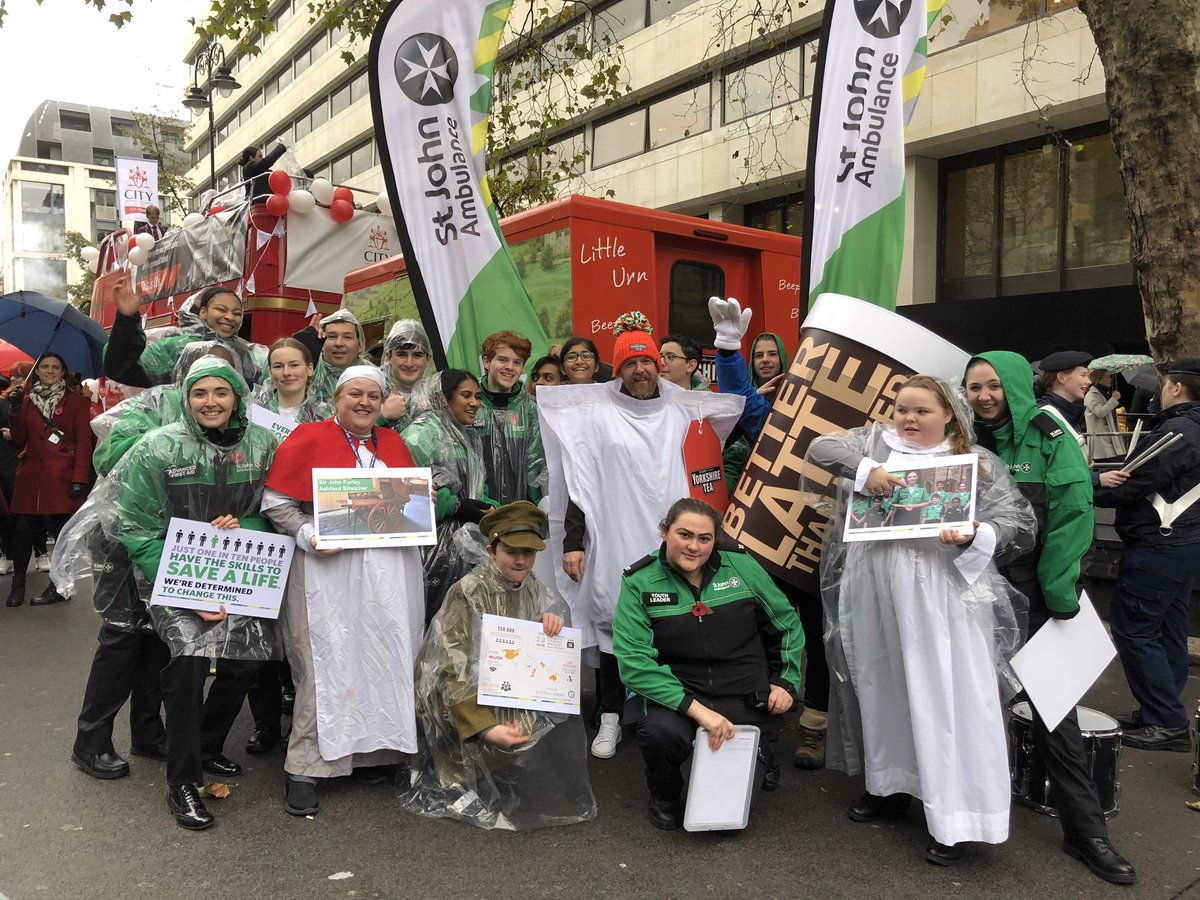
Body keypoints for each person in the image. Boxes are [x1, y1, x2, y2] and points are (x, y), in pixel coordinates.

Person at [807, 374, 1035, 865]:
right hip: (873, 582)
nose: (908, 419)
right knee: (880, 682)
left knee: (945, 694)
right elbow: (820, 448)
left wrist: (978, 533)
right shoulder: (875, 444)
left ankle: (958, 816)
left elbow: (1015, 521)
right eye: (901, 409)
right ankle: (889, 785)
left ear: (949, 413)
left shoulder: (973, 461)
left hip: (940, 591)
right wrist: (867, 469)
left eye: (921, 411)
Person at [539, 312, 743, 760]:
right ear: (618, 369)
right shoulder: (595, 416)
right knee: (615, 618)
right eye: (629, 363)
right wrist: (574, 541)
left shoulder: (684, 409)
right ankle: (610, 714)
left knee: (679, 620)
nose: (639, 370)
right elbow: (579, 478)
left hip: (675, 539)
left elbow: (737, 411)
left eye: (646, 361)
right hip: (614, 534)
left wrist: (729, 352)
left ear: (657, 364)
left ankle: (672, 709)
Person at [965, 351, 1136, 884]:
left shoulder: (1049, 435)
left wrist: (1060, 593)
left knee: (1055, 713)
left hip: (1036, 594)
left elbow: (1073, 513)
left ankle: (1086, 832)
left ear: (1014, 384)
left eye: (993, 385)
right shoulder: (958, 436)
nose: (984, 396)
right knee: (965, 701)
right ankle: (956, 813)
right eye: (974, 387)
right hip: (968, 595)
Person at [117, 357, 279, 830]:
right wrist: (187, 593)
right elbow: (136, 529)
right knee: (188, 661)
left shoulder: (262, 444)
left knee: (248, 658)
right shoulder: (158, 448)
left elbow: (275, 509)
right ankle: (183, 782)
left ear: (236, 398)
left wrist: (244, 525)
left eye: (220, 392)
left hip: (238, 569)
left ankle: (206, 744)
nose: (211, 402)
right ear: (187, 400)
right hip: (173, 572)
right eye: (200, 394)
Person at [262, 365, 426, 816]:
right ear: (336, 398)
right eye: (355, 394)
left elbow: (414, 505)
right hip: (325, 573)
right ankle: (306, 766)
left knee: (386, 654)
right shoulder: (308, 438)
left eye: (373, 396)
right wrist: (307, 533)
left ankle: (376, 753)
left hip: (390, 573)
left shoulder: (393, 443)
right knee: (324, 662)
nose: (364, 403)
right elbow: (276, 503)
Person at [400, 501, 597, 830]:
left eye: (529, 553)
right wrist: (484, 727)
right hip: (458, 696)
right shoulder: (469, 592)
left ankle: (494, 764)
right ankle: (454, 767)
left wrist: (548, 623)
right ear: (492, 549)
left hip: (503, 684)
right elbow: (450, 669)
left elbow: (538, 647)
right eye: (511, 551)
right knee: (474, 747)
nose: (521, 560)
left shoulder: (532, 587)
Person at [612, 498, 805, 829]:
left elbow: (787, 622)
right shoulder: (638, 582)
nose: (693, 547)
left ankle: (761, 753)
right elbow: (633, 662)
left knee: (732, 810)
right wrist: (699, 711)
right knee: (660, 733)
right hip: (679, 692)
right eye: (684, 535)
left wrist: (787, 681)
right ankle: (664, 794)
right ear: (664, 532)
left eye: (705, 539)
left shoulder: (742, 566)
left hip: (742, 687)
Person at [1094, 358, 1200, 753]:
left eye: (1163, 385)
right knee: (1167, 628)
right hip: (1185, 543)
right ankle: (1160, 708)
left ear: (1175, 388)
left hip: (1160, 545)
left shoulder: (1178, 432)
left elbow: (1130, 484)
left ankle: (1166, 721)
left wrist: (1080, 487)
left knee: (1134, 627)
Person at [402, 370, 497, 623]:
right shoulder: (421, 434)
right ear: (444, 398)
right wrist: (454, 505)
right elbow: (405, 496)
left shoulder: (470, 437)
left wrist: (490, 509)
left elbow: (478, 488)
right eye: (466, 395)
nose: (474, 403)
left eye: (477, 396)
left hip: (468, 545)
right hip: (432, 548)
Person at [6, 353, 93, 608]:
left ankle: (58, 586)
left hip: (61, 477)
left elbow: (84, 442)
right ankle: (17, 586)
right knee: (22, 531)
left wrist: (80, 478)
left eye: (56, 367)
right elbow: (21, 439)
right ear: (37, 371)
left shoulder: (77, 402)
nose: (50, 371)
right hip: (30, 477)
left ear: (63, 371)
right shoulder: (26, 402)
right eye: (45, 367)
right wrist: (14, 411)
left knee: (60, 533)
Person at [102, 274, 261, 388]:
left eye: (237, 313)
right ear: (203, 312)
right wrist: (126, 318)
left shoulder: (244, 354)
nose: (229, 317)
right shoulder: (175, 347)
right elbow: (120, 370)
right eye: (221, 309)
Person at [475, 331, 545, 505]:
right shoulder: (469, 402)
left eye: (517, 362)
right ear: (486, 361)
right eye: (502, 360)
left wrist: (536, 513)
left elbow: (535, 469)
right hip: (476, 513)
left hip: (520, 516)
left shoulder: (530, 409)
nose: (510, 367)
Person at [301, 309, 368, 409]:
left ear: (360, 346)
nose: (338, 343)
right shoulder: (307, 370)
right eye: (331, 336)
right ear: (322, 344)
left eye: (347, 337)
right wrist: (302, 353)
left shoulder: (374, 377)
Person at [253, 337, 330, 424]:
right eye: (278, 366)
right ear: (270, 372)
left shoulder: (325, 415)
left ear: (310, 369)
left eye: (294, 365)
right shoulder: (254, 411)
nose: (286, 373)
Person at [378, 318, 435, 431]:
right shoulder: (370, 389)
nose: (409, 363)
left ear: (428, 359)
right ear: (389, 356)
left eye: (417, 355)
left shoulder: (436, 396)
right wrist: (382, 416)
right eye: (402, 355)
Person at [1036, 350, 1092, 447]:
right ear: (1061, 377)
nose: (1089, 381)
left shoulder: (1071, 411)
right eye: (1083, 375)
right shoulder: (1044, 416)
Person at [1085, 368, 1126, 462]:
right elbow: (1100, 412)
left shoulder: (1105, 393)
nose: (1110, 379)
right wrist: (1113, 399)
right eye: (1107, 377)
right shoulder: (1092, 395)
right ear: (1099, 379)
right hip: (1102, 440)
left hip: (1111, 435)